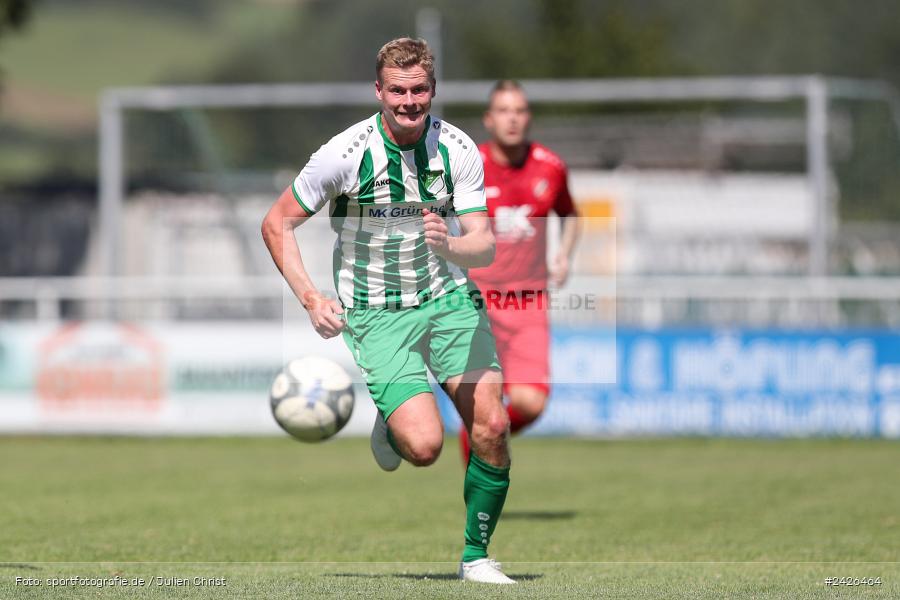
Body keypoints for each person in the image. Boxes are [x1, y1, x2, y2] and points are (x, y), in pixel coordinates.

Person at [261, 38, 515, 585]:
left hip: (449, 298)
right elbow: (276, 223)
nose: (409, 101)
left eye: (419, 89)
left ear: (432, 90)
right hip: (376, 311)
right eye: (398, 90)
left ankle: (476, 558)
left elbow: (484, 245)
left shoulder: (458, 148)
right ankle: (395, 421)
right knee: (424, 448)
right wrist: (311, 298)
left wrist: (451, 244)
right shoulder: (343, 154)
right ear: (379, 91)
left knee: (493, 425)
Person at [463, 80, 580, 461]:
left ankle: (479, 437)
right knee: (482, 402)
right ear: (488, 119)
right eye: (503, 111)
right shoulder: (468, 167)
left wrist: (563, 254)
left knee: (530, 403)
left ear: (528, 117)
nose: (512, 119)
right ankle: (480, 441)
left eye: (519, 110)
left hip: (528, 303)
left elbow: (571, 214)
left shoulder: (550, 166)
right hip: (477, 300)